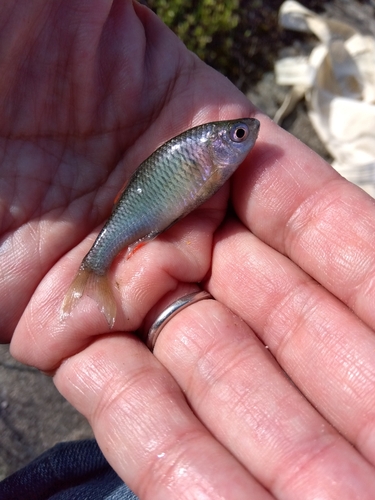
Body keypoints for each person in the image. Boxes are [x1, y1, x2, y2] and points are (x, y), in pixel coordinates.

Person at [1, 1, 375, 498]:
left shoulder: (210, 155)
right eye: (239, 137)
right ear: (218, 148)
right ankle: (94, 275)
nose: (247, 138)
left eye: (240, 135)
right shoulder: (203, 156)